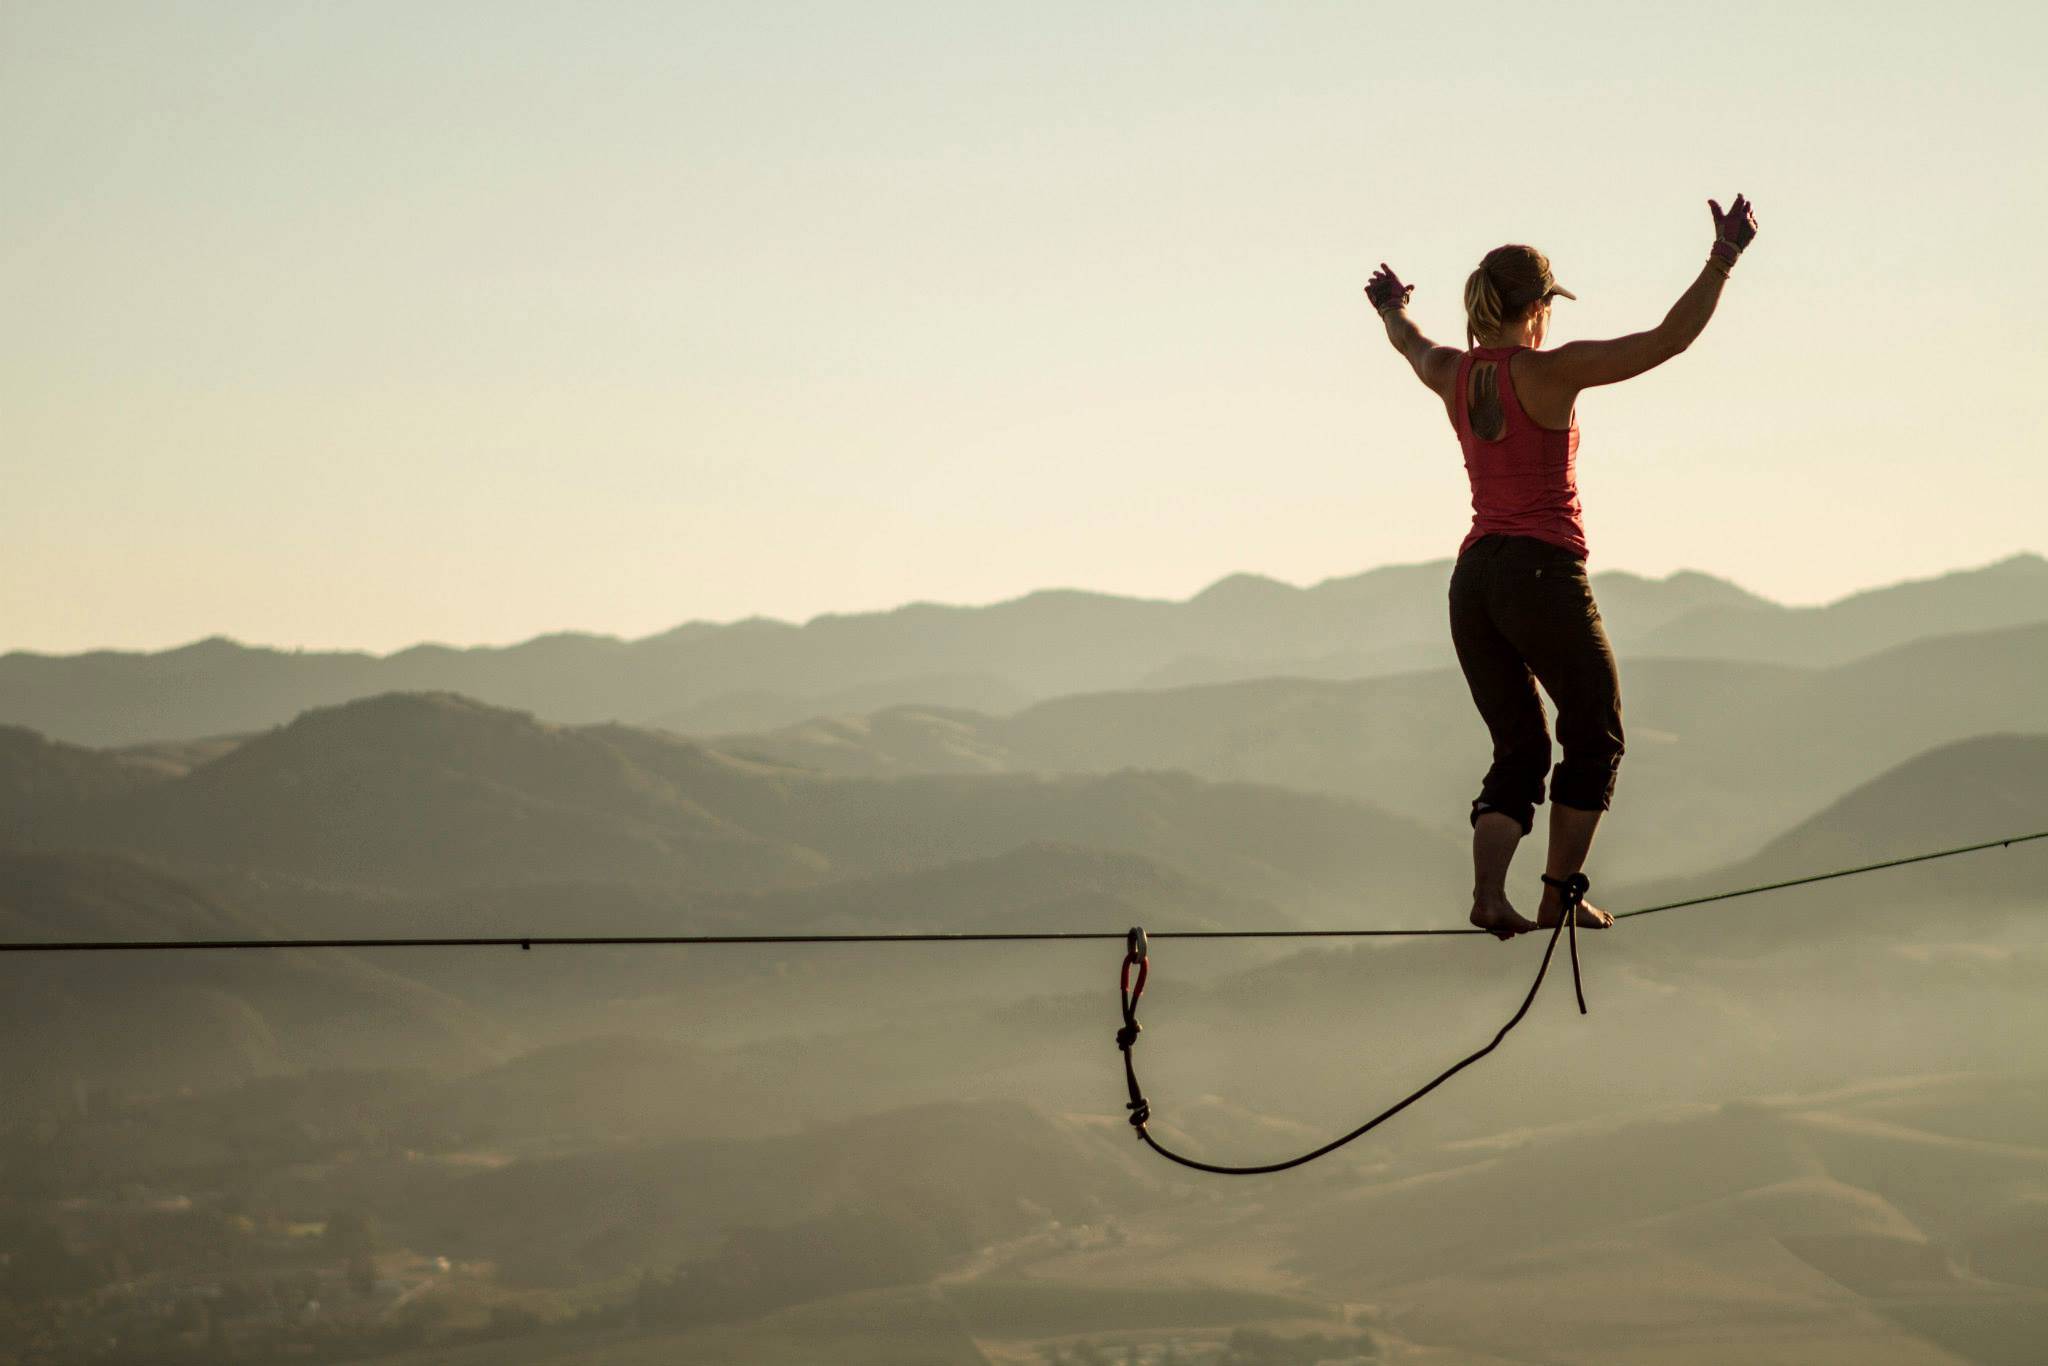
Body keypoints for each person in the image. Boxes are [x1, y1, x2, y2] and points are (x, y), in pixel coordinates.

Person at [1364, 195, 1759, 938]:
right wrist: (1723, 258)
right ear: (1541, 307)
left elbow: (1409, 342)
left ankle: (1488, 894)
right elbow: (1669, 340)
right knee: (1596, 732)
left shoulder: (1452, 372)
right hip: (1540, 575)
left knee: (1519, 747)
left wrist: (1389, 306)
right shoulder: (1551, 372)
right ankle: (1558, 894)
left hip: (1474, 582)